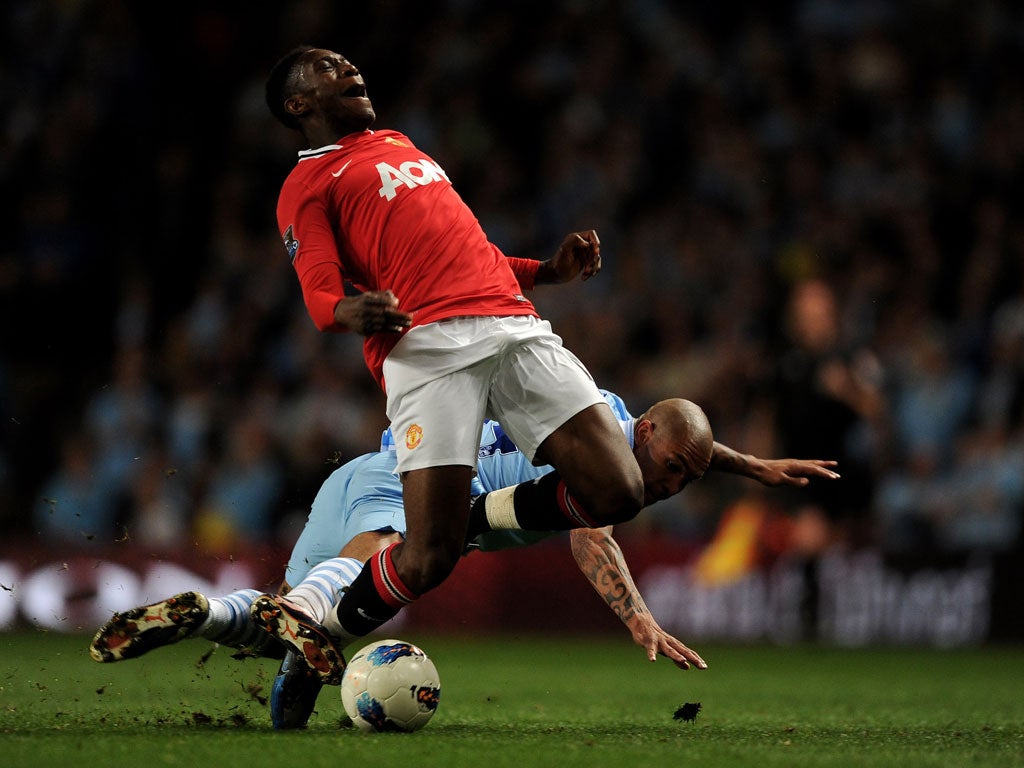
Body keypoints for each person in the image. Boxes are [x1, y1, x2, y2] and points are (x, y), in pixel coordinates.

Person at [90, 390, 839, 728]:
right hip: (411, 489)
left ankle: (209, 615)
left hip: (355, 477)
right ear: (640, 431)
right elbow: (589, 529)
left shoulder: (623, 428)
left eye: (685, 480)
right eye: (669, 468)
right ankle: (297, 618)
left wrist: (753, 465)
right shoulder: (606, 448)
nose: (668, 486)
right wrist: (637, 615)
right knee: (371, 574)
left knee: (285, 639)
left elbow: (688, 442)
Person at [262, 45, 649, 666]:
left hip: (512, 324)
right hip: (426, 347)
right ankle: (316, 643)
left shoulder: (397, 142)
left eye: (350, 63)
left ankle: (480, 517)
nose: (353, 69)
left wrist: (545, 271)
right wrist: (348, 312)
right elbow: (318, 294)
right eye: (331, 68)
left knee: (619, 489)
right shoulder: (306, 184)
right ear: (298, 103)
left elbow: (469, 249)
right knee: (428, 557)